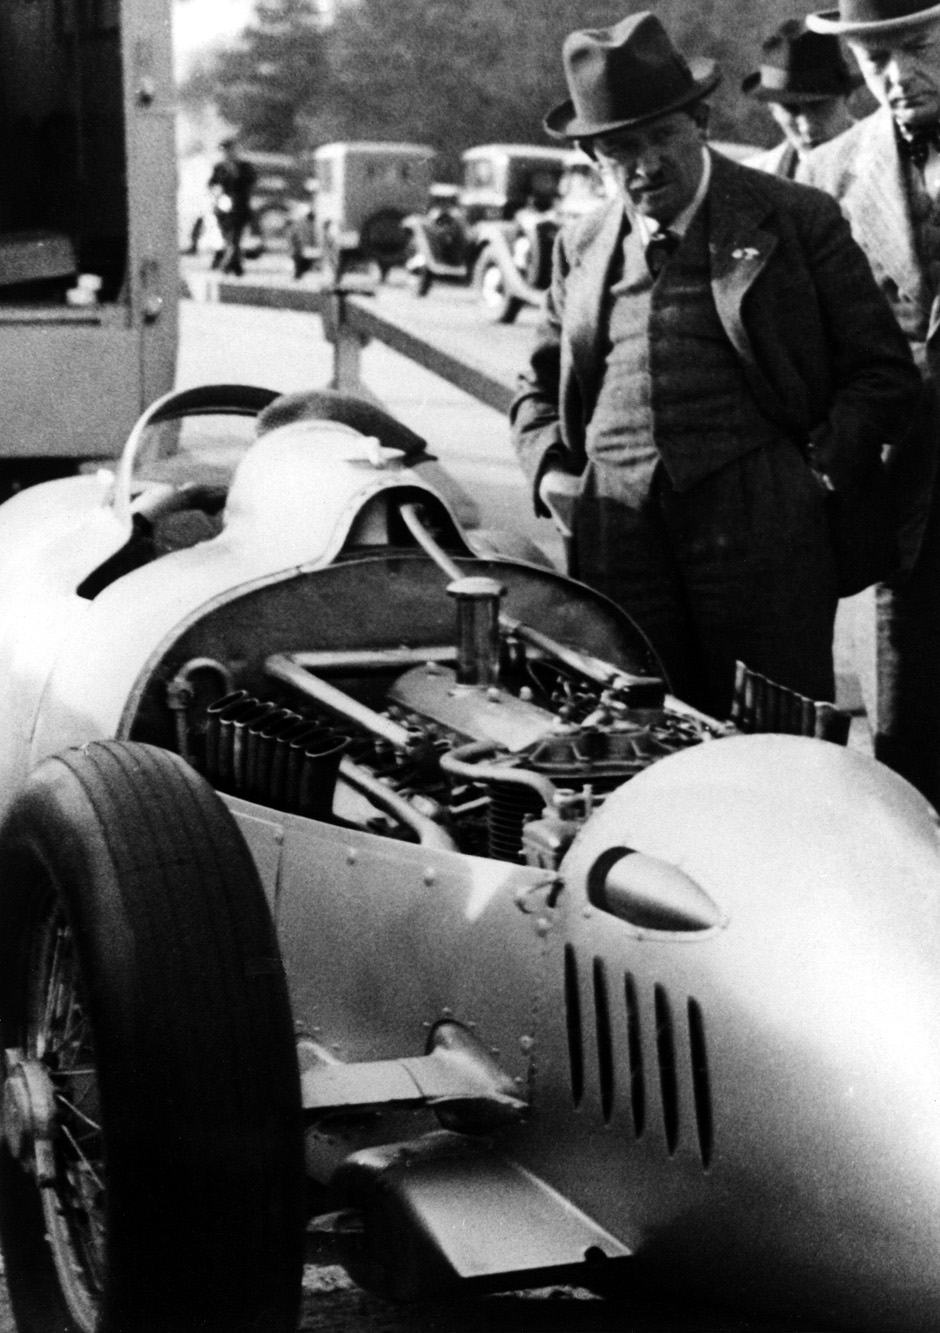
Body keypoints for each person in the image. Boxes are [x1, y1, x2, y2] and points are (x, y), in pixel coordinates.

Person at [509, 11, 920, 720]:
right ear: (593, 158)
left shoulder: (794, 218)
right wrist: (551, 472)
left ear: (698, 121)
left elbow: (883, 372)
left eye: (662, 136)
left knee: (771, 749)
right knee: (632, 748)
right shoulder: (579, 245)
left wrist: (814, 475)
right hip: (618, 545)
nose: (645, 166)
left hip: (765, 542)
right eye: (619, 149)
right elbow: (537, 390)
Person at [799, 0, 940, 805]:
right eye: (870, 58)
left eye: (916, 47)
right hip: (901, 528)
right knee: (906, 767)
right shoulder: (824, 180)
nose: (892, 76)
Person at [742, 19, 860, 177]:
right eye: (790, 109)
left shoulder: (891, 163)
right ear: (772, 109)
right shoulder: (754, 179)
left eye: (817, 105)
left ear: (848, 96)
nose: (807, 127)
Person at [208, 137, 256, 277]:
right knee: (228, 238)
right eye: (225, 151)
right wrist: (217, 191)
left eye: (230, 150)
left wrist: (236, 173)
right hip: (223, 209)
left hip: (240, 208)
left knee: (235, 238)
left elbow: (251, 181)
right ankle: (236, 266)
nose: (228, 153)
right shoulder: (219, 167)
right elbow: (212, 183)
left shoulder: (244, 166)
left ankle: (227, 265)